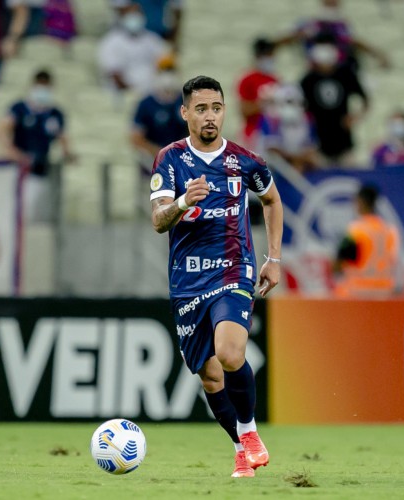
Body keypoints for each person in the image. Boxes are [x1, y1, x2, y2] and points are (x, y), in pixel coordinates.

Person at [150, 75, 283, 478]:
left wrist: (273, 258)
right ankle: (241, 448)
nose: (211, 117)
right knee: (210, 375)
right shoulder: (169, 159)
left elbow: (272, 200)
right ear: (185, 112)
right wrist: (181, 202)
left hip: (233, 269)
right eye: (202, 109)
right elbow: (158, 221)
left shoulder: (245, 161)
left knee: (229, 353)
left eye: (217, 108)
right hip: (187, 280)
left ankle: (249, 433)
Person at [0, 69, 74, 223]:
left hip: (39, 169)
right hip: (17, 167)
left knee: (32, 212)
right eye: (40, 85)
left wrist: (68, 154)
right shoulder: (19, 108)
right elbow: (1, 131)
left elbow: (62, 137)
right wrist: (13, 152)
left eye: (46, 86)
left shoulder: (55, 113)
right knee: (11, 211)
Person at [300, 34, 369, 166]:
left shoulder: (345, 74)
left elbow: (365, 99)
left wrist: (355, 117)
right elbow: (301, 109)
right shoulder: (308, 80)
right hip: (319, 144)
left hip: (345, 143)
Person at [273, 0, 390, 72]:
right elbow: (288, 36)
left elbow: (353, 41)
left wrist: (377, 54)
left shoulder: (342, 25)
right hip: (315, 70)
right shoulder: (311, 22)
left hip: (340, 70)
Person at [333, 184, 399, 297]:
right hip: (384, 294)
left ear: (361, 202)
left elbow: (338, 262)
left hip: (356, 293)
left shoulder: (355, 231)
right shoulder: (389, 231)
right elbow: (395, 262)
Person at [98, 2, 169, 95]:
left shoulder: (153, 40)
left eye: (137, 13)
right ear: (122, 17)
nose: (134, 17)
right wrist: (132, 92)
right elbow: (114, 74)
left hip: (153, 92)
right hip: (124, 93)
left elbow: (166, 66)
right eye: (130, 14)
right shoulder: (110, 42)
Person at [131, 63, 187, 178]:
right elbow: (136, 138)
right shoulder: (146, 104)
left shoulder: (185, 101)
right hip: (151, 157)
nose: (168, 76)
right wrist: (157, 151)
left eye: (171, 72)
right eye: (164, 72)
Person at [257, 84, 321, 174]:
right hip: (272, 167)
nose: (291, 106)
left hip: (299, 164)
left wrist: (299, 162)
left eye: (295, 102)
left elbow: (311, 147)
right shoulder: (270, 118)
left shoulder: (308, 118)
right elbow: (273, 150)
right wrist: (295, 160)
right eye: (287, 102)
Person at [236, 37, 279, 151]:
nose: (270, 58)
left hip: (273, 134)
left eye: (271, 55)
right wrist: (264, 104)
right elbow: (244, 110)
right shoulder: (247, 79)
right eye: (267, 55)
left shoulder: (275, 79)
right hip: (254, 134)